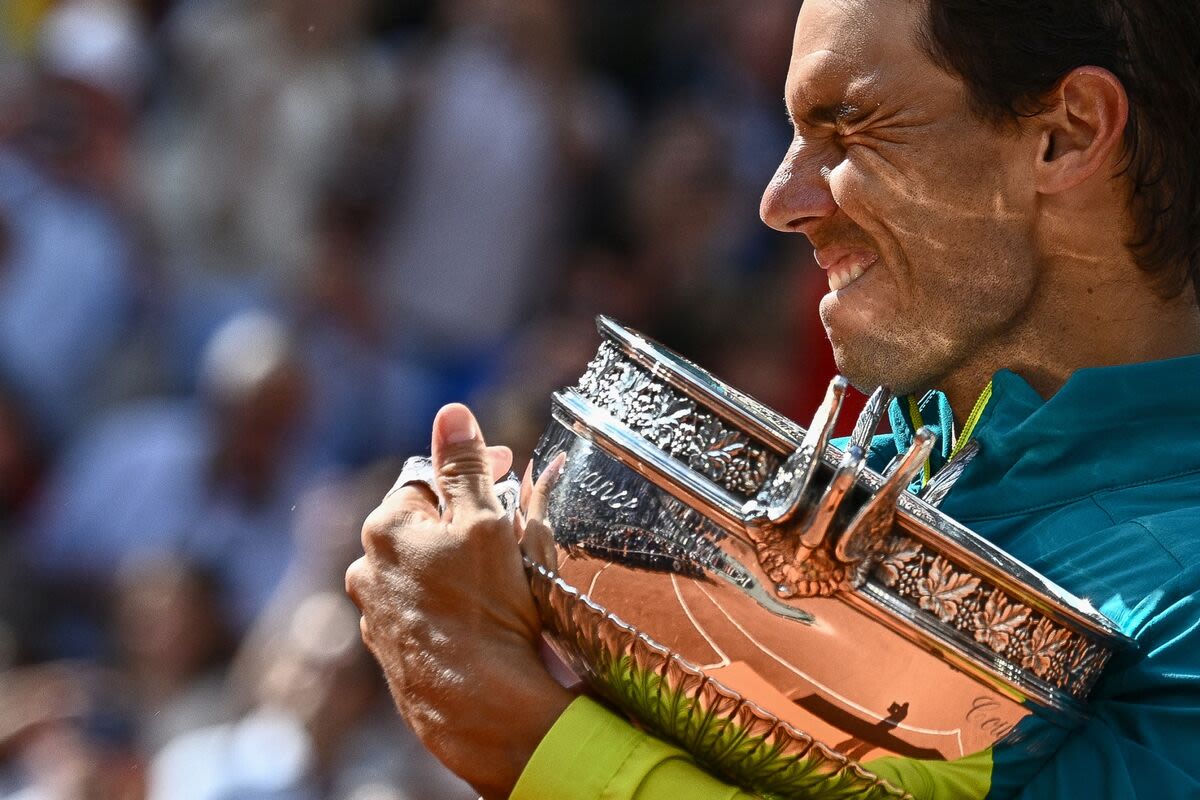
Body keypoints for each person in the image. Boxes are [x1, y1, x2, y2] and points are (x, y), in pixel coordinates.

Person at [345, 0, 1200, 798]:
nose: (779, 201)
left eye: (850, 127)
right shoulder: (916, 436)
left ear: (1067, 135)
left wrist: (521, 735)